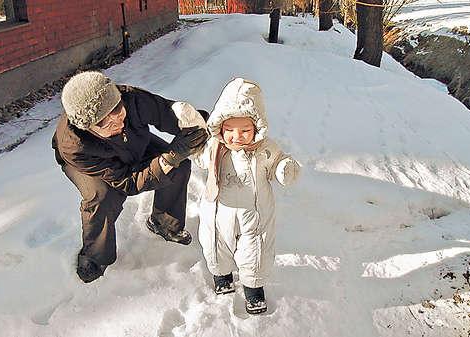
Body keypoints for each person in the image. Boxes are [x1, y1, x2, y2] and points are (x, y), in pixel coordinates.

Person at [52, 71, 209, 283]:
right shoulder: (74, 146)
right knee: (103, 196)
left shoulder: (132, 100)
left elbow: (168, 114)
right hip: (96, 162)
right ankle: (96, 255)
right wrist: (170, 157)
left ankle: (164, 223)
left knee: (179, 168)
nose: (116, 120)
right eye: (103, 122)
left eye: (116, 109)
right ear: (88, 127)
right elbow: (127, 182)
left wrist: (194, 124)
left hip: (134, 142)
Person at [195, 78, 300, 314]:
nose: (237, 136)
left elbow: (277, 162)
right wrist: (193, 145)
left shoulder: (264, 148)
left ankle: (253, 287)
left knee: (255, 251)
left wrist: (284, 168)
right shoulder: (214, 147)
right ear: (220, 127)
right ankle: (221, 275)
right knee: (215, 244)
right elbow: (199, 158)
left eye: (245, 130)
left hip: (254, 214)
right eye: (229, 130)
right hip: (217, 210)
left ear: (257, 128)